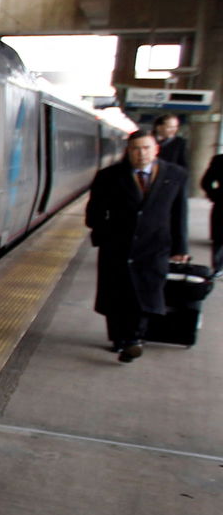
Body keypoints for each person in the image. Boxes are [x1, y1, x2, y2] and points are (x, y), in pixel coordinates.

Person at [85, 130, 189, 361]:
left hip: (155, 246)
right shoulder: (108, 176)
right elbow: (94, 212)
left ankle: (134, 339)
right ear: (128, 151)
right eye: (135, 149)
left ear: (156, 149)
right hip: (117, 247)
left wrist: (180, 248)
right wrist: (104, 236)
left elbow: (179, 214)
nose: (141, 153)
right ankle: (119, 338)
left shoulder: (176, 175)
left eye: (146, 148)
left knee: (147, 292)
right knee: (117, 294)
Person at [202, 149, 223, 272]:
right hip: (221, 206)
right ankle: (218, 269)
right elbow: (206, 182)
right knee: (219, 240)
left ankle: (218, 269)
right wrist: (215, 196)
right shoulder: (219, 160)